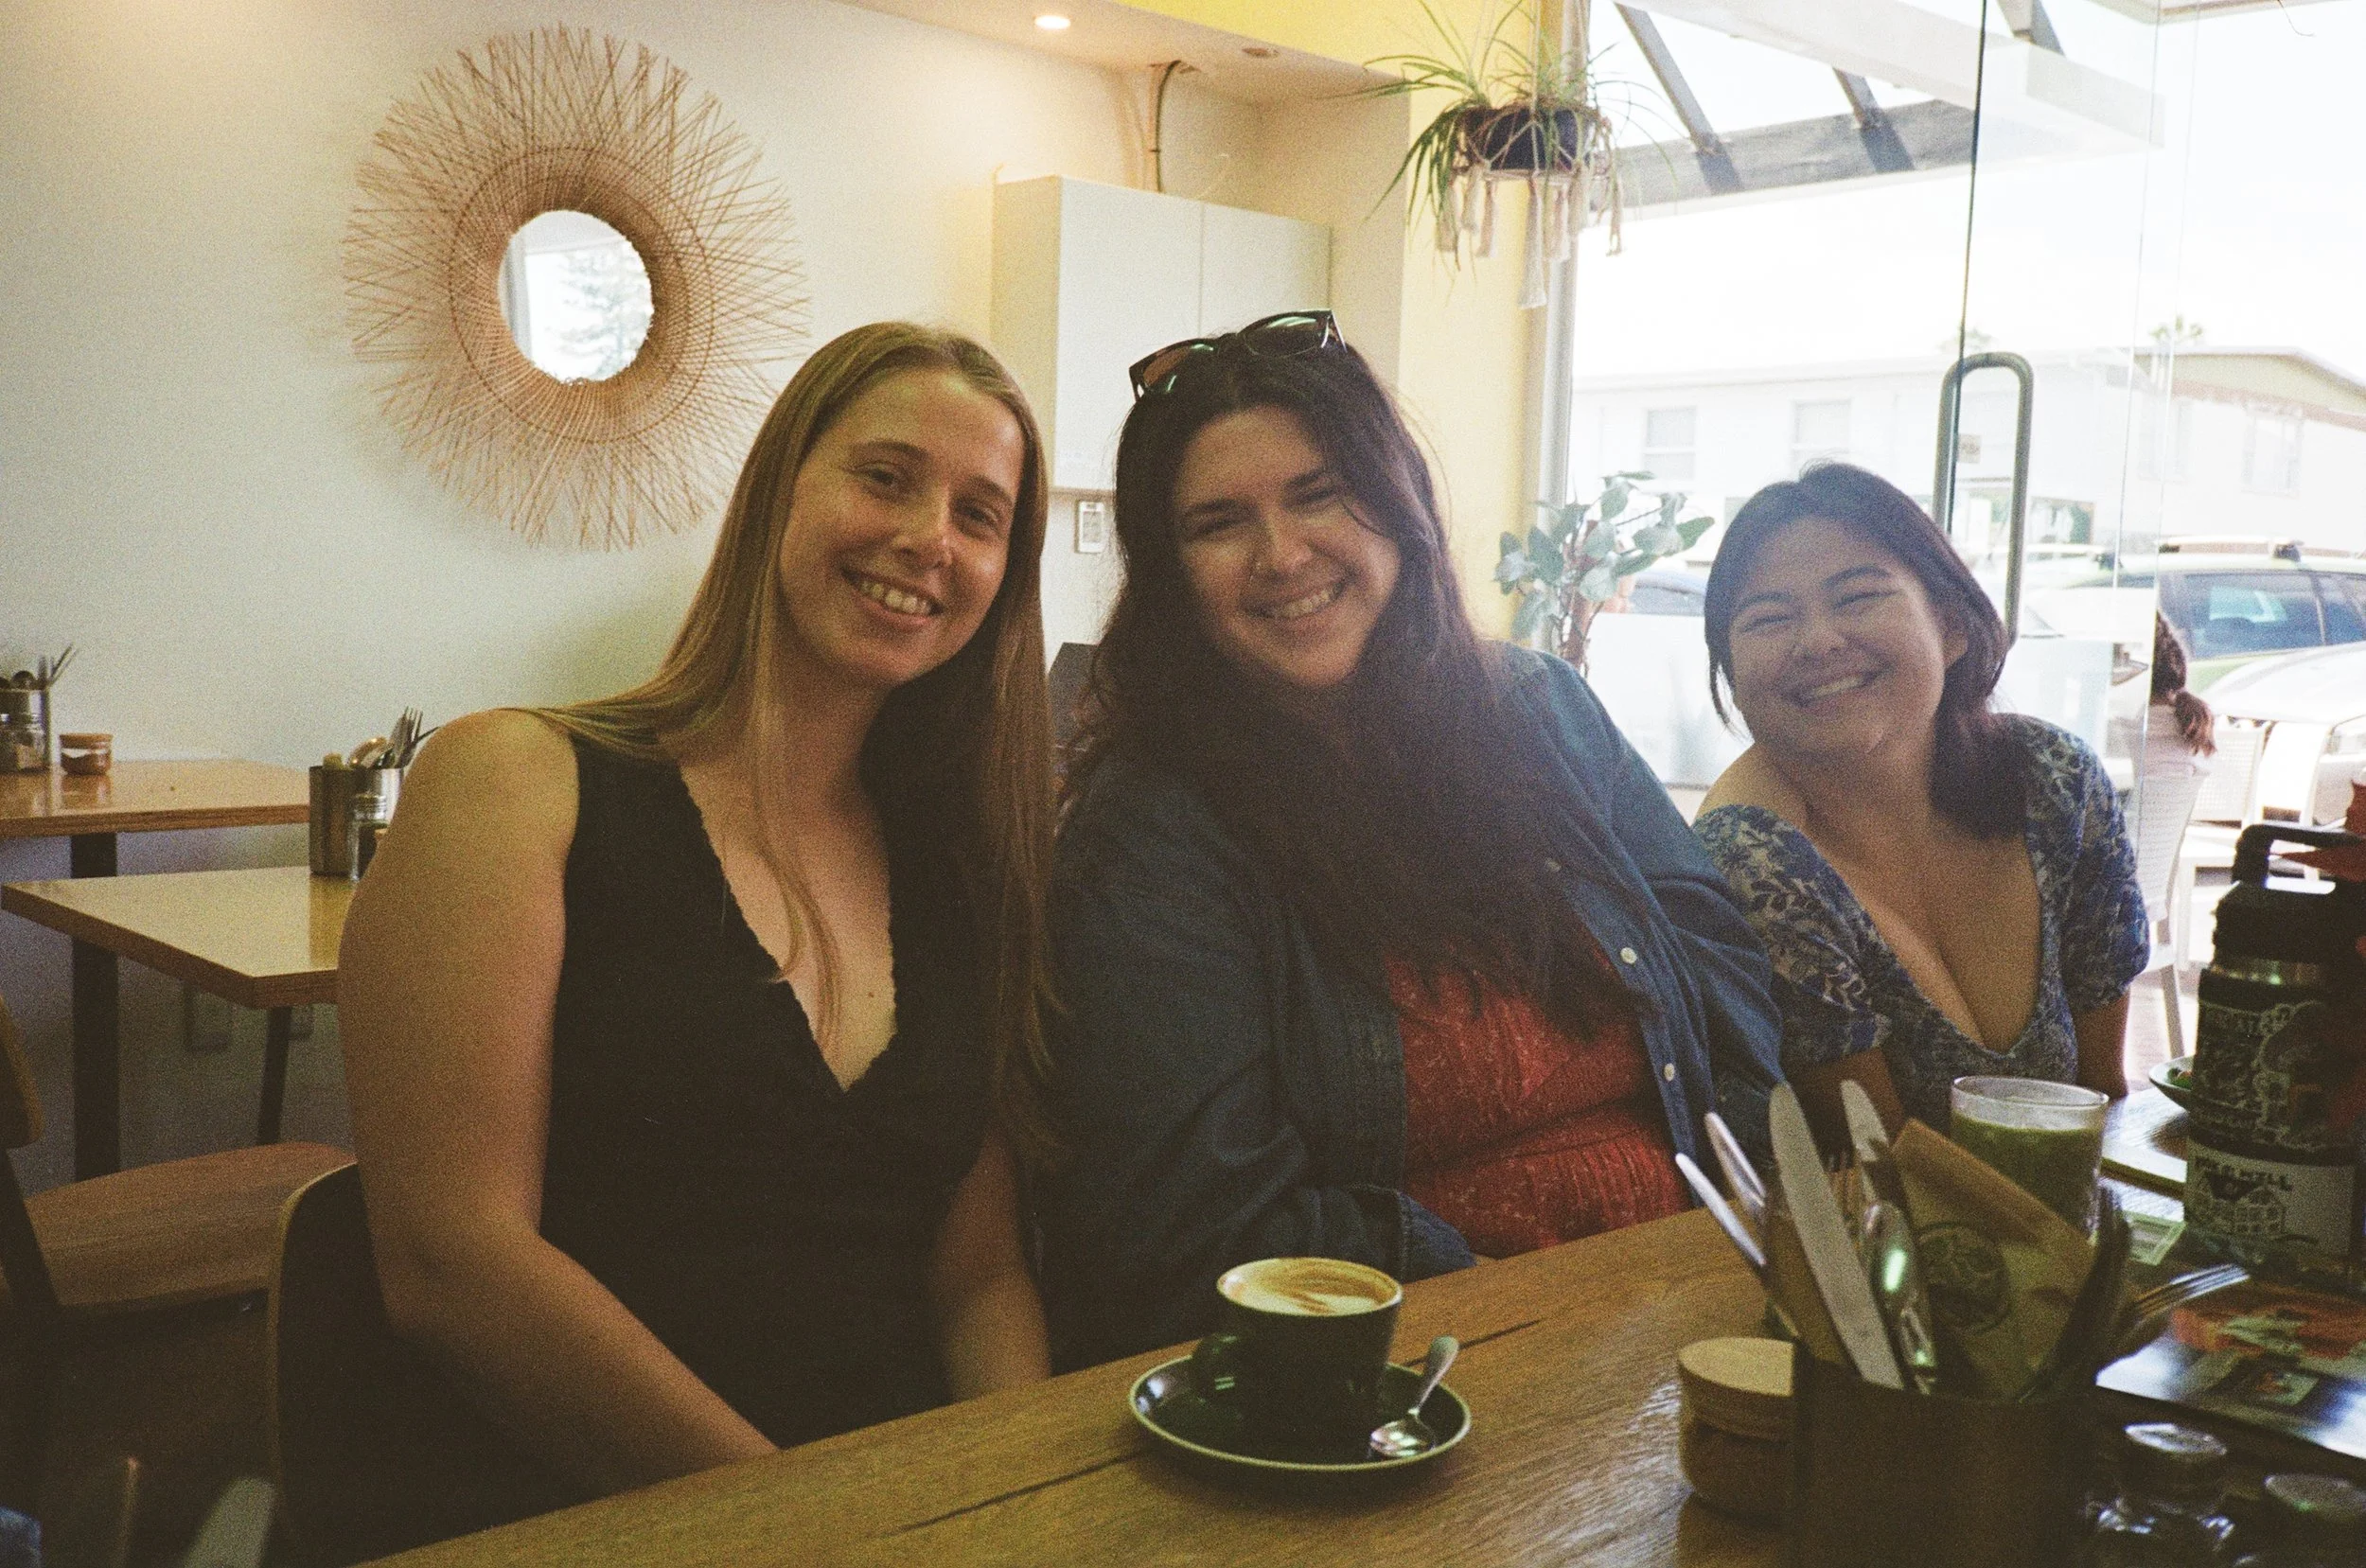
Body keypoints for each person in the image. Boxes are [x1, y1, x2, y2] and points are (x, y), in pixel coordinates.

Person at [337, 323, 1058, 1500]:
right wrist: (806, 1530)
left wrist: (1016, 1493)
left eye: (980, 515)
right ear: (780, 489)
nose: (931, 537)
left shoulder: (958, 869)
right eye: (886, 477)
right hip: (575, 1512)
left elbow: (976, 1275)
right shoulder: (513, 783)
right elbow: (450, 1262)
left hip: (900, 1510)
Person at [1041, 311, 1783, 1370]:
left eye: (1317, 494)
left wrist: (1738, 1227)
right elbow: (1195, 1221)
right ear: (1169, 573)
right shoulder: (1155, 828)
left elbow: (1718, 966)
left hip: (1686, 1295)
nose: (1281, 554)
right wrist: (1513, 1312)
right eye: (1217, 522)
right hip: (1417, 1363)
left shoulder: (1543, 710)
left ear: (1396, 504)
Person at [1691, 464, 2149, 1145]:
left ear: (1952, 626)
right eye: (1769, 618)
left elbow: (2102, 1097)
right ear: (1733, 673)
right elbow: (1886, 1165)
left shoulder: (2054, 782)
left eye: (1858, 596)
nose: (1818, 641)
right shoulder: (1754, 858)